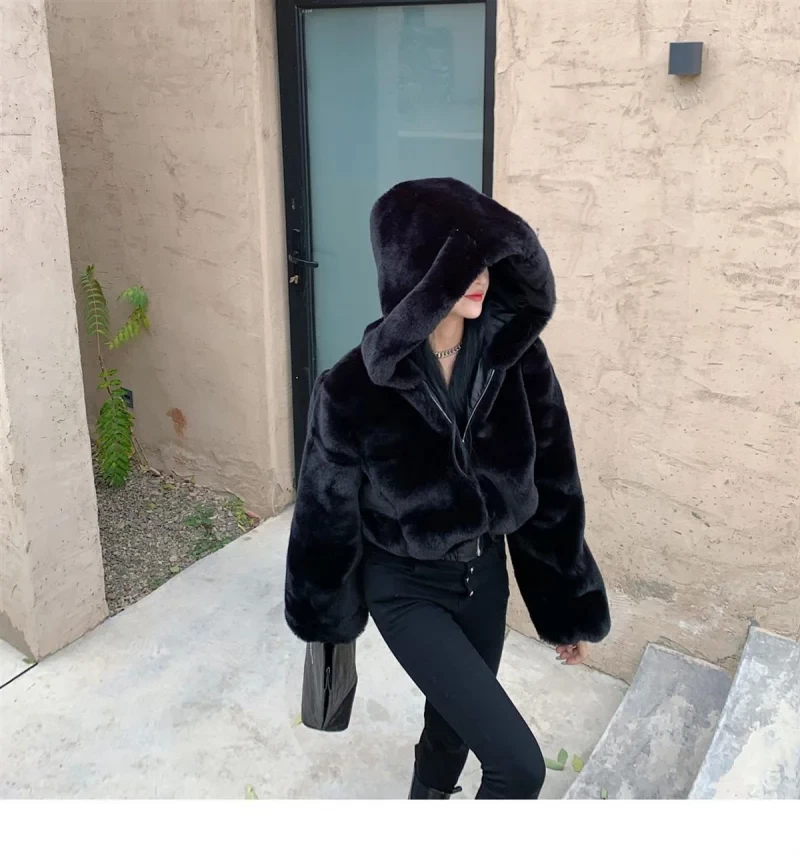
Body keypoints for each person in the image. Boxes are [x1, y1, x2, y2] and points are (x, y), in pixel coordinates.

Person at [285, 177, 611, 800]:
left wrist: (565, 607)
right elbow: (324, 522)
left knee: (452, 729)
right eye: (459, 265)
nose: (480, 277)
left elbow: (554, 489)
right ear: (416, 273)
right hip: (405, 588)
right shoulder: (349, 390)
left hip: (485, 581)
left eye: (484, 260)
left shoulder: (518, 358)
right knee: (519, 767)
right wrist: (329, 627)